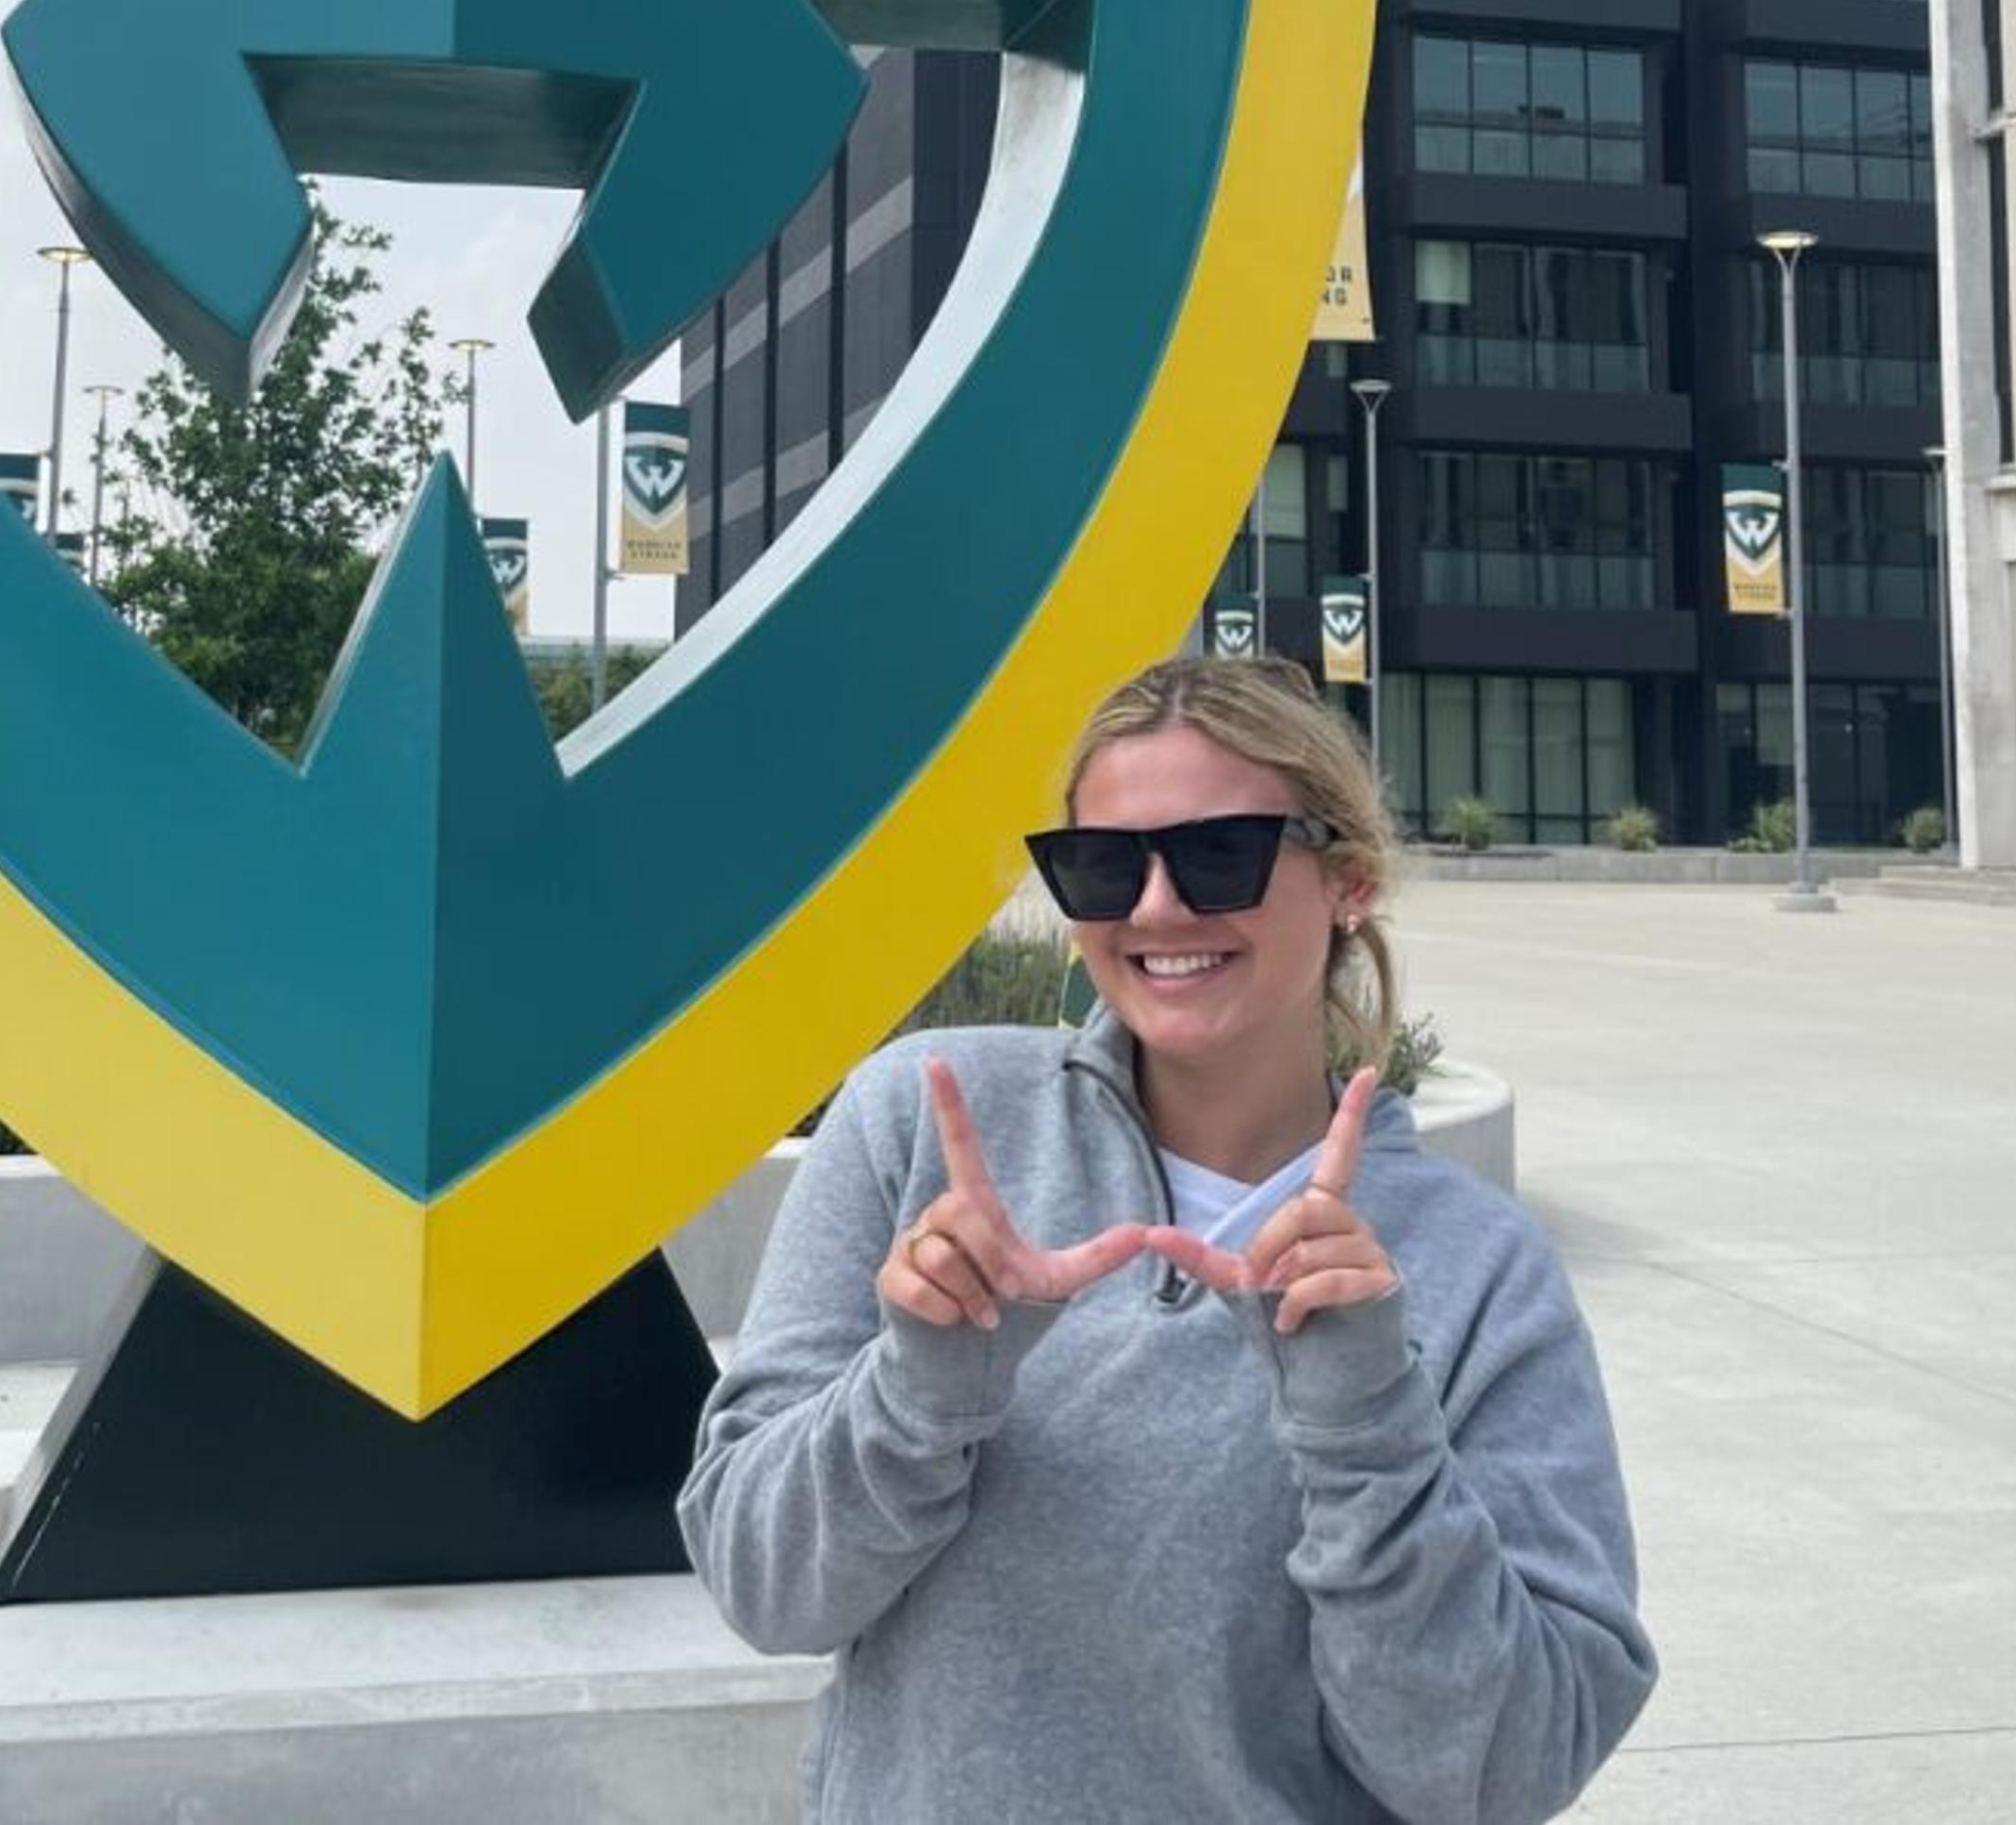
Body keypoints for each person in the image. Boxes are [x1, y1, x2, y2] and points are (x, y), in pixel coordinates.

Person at [680, 657, 1652, 1822]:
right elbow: (761, 1584)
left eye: (1218, 854)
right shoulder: (921, 1126)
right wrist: (918, 1394)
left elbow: (1504, 1770)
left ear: (1347, 882)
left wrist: (1364, 1423)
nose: (1154, 908)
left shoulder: (1477, 1268)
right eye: (1101, 866)